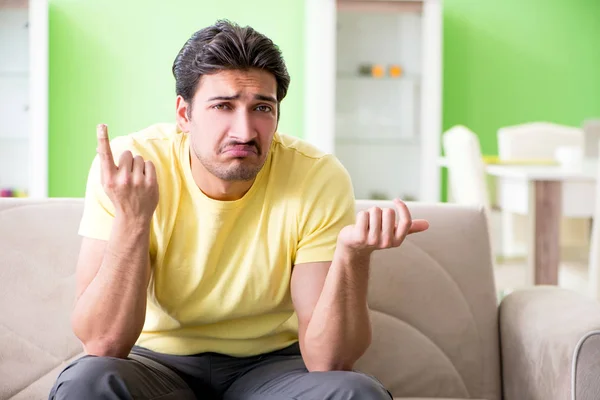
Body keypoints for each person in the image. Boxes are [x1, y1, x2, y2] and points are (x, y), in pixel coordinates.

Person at [49, 19, 429, 400]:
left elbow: (329, 361)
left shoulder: (317, 175)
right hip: (154, 363)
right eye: (223, 106)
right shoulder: (132, 166)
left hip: (273, 368)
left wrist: (353, 257)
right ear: (184, 114)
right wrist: (133, 220)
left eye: (262, 107)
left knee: (355, 393)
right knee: (87, 383)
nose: (244, 131)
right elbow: (102, 343)